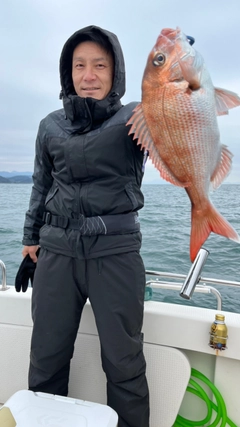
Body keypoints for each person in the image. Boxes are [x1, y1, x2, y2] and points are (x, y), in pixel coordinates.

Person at [21, 25, 149, 427]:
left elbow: (165, 136)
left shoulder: (135, 118)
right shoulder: (50, 125)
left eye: (99, 65)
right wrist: (29, 240)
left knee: (124, 365)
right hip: (56, 252)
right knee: (46, 359)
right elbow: (41, 184)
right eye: (79, 65)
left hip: (115, 254)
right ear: (68, 72)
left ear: (115, 73)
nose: (88, 75)